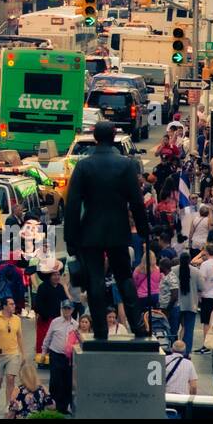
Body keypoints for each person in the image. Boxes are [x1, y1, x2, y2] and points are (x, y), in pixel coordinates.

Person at [63, 122, 150, 340]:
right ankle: (138, 326)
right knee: (124, 277)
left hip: (90, 230)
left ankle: (100, 330)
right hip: (118, 230)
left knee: (95, 280)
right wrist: (142, 229)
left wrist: (70, 237)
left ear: (94, 137)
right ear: (113, 137)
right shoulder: (126, 165)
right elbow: (137, 202)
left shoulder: (84, 166)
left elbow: (72, 205)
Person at [0, 296, 25, 412]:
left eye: (14, 304)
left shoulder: (17, 319)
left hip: (13, 353)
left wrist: (23, 353)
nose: (14, 306)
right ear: (4, 306)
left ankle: (8, 404)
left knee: (10, 378)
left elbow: (19, 337)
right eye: (11, 304)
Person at [43, 299, 78, 413]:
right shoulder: (55, 322)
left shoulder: (76, 325)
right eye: (64, 308)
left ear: (72, 310)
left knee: (67, 381)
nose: (66, 311)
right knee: (55, 380)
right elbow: (48, 338)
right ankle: (53, 404)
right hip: (56, 354)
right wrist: (44, 352)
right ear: (61, 309)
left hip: (68, 357)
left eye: (68, 308)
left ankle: (64, 407)